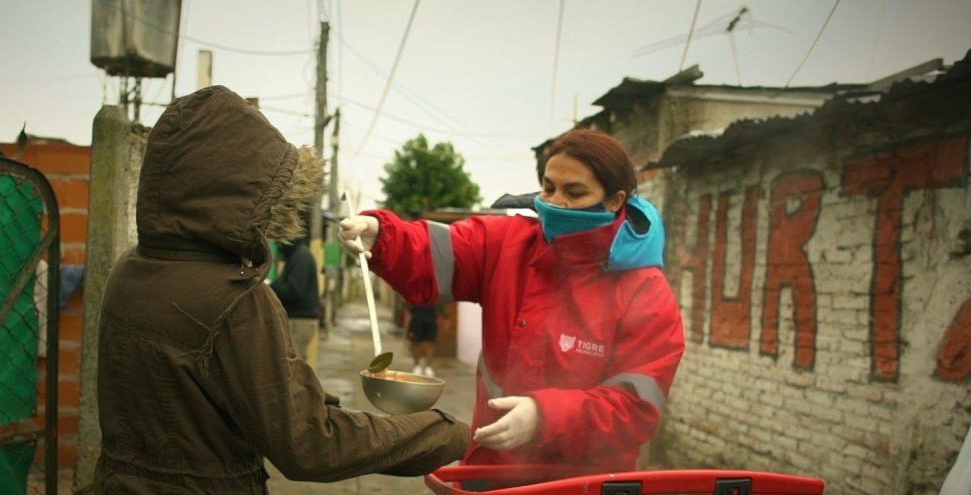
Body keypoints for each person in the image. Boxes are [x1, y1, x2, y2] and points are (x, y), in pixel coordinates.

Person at [87, 86, 472, 495]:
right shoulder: (235, 300)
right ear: (240, 192)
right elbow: (309, 444)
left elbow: (214, 399)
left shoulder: (133, 271)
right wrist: (443, 434)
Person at [340, 129, 685, 475]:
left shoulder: (645, 291)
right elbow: (434, 249)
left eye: (574, 192)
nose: (556, 202)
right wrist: (381, 235)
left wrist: (544, 416)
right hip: (490, 473)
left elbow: (635, 409)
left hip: (586, 492)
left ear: (614, 201)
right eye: (549, 188)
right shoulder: (508, 244)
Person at [270, 235, 321, 354]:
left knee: (293, 366)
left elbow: (294, 291)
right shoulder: (297, 255)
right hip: (299, 320)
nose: (278, 246)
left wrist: (271, 288)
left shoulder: (300, 257)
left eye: (279, 243)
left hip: (300, 321)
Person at [406, 303, 439, 376]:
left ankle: (428, 367)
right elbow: (408, 306)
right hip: (417, 320)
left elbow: (439, 305)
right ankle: (416, 366)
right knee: (416, 344)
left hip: (431, 319)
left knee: (430, 344)